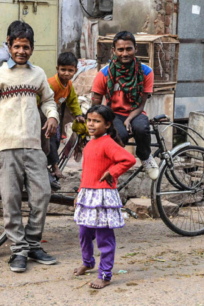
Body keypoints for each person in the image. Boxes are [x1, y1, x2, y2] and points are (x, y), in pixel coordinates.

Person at [0, 21, 59, 272]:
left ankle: (33, 244)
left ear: (32, 48)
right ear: (9, 45)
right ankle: (18, 251)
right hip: (5, 146)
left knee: (42, 195)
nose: (21, 51)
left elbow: (48, 100)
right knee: (11, 199)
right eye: (17, 46)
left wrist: (53, 115)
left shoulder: (37, 74)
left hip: (34, 146)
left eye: (26, 47)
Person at [73, 105, 136, 289]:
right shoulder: (90, 143)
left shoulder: (108, 143)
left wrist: (112, 172)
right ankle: (88, 261)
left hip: (103, 196)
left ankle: (105, 274)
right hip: (87, 194)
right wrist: (79, 193)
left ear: (107, 124)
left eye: (96, 121)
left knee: (104, 238)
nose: (91, 124)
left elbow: (129, 159)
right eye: (89, 120)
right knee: (84, 232)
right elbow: (86, 172)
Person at [91, 31, 158, 180]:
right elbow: (95, 102)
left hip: (136, 112)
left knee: (142, 128)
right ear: (114, 51)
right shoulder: (104, 73)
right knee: (120, 135)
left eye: (129, 49)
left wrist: (129, 119)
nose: (125, 53)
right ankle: (112, 165)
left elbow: (141, 104)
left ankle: (145, 156)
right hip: (113, 114)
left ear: (135, 48)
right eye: (120, 50)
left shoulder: (146, 72)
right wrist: (93, 122)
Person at [46, 52, 87, 189]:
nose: (66, 73)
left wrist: (78, 115)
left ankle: (51, 166)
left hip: (55, 118)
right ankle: (55, 167)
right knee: (50, 141)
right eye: (63, 70)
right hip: (44, 118)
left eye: (70, 70)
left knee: (57, 141)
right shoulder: (52, 84)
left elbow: (73, 101)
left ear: (76, 70)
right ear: (57, 69)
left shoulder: (68, 85)